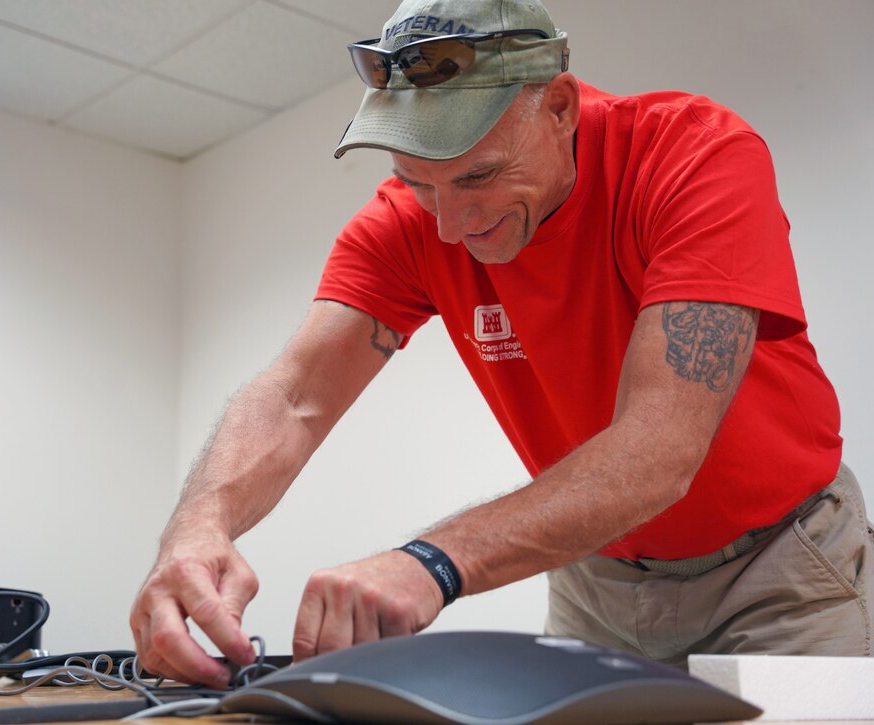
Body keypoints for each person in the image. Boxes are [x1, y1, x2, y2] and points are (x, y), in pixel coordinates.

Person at [130, 0, 874, 687]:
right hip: (596, 580)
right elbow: (296, 394)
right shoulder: (408, 224)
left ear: (558, 107)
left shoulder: (692, 158)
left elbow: (661, 449)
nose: (451, 225)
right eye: (419, 182)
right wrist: (197, 528)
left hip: (778, 571)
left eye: (480, 175)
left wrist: (430, 562)